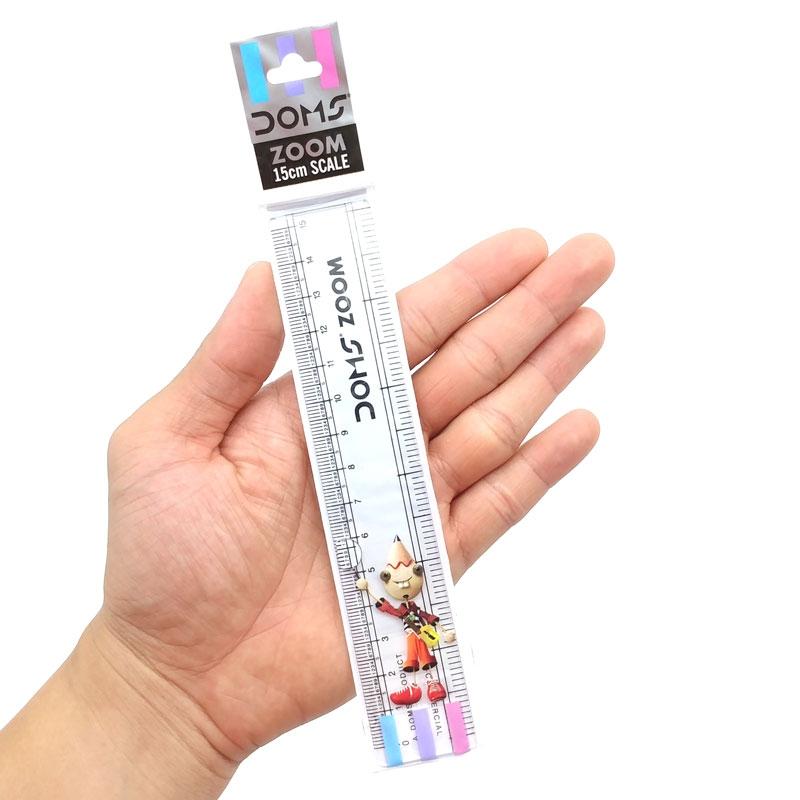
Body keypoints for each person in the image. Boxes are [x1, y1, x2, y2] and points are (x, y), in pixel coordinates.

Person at [0, 229, 614, 798]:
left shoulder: (402, 599)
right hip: (399, 650)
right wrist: (153, 679)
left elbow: (405, 612)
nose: (403, 577)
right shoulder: (388, 598)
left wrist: (151, 694)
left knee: (419, 661)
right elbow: (395, 608)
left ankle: (424, 705)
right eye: (399, 574)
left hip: (411, 649)